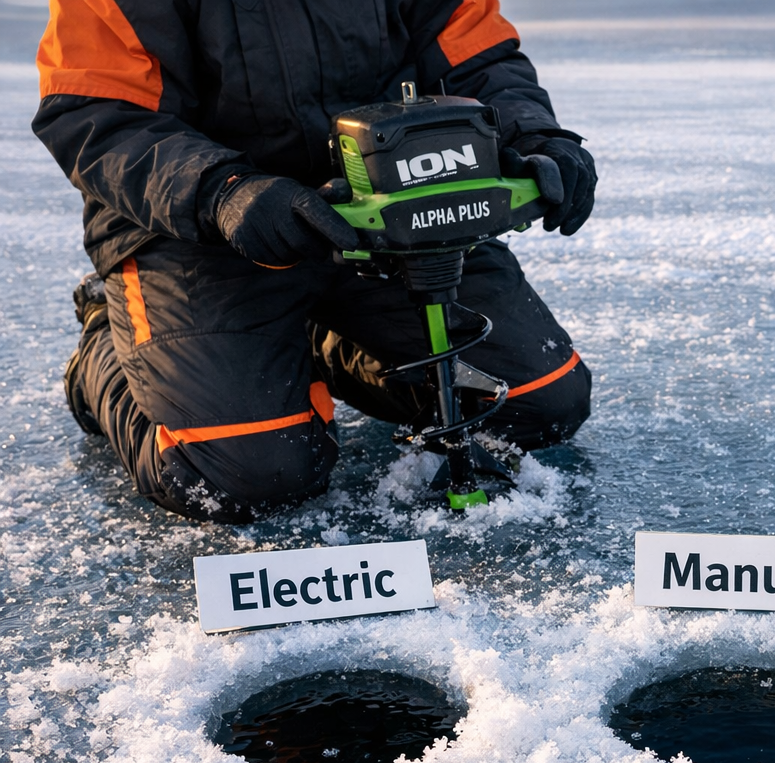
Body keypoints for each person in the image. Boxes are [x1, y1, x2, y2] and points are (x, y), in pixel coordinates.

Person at [34, 0, 596, 523]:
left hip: (382, 213)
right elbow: (95, 109)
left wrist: (533, 134)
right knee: (246, 473)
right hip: (195, 226)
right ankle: (107, 345)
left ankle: (314, 342)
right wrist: (221, 191)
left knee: (540, 401)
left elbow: (474, 54)